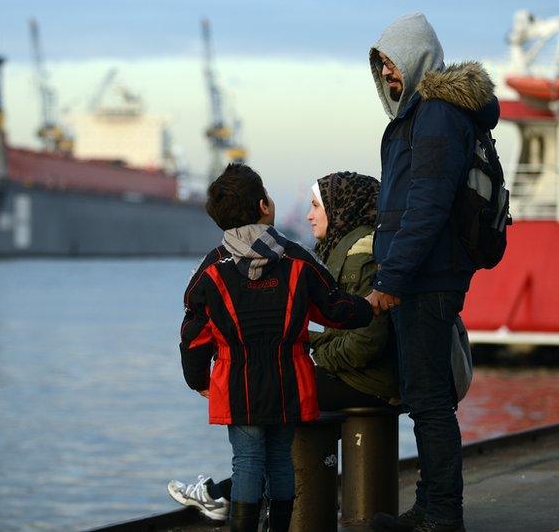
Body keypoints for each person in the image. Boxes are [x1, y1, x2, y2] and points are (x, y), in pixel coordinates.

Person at [169, 172, 400, 523]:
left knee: (246, 461)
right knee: (280, 459)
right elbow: (336, 310)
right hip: (289, 380)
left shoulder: (211, 270)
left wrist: (198, 380)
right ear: (264, 206)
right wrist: (371, 303)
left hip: (237, 385)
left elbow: (193, 337)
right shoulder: (297, 260)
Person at [363, 13, 499, 532]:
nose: (387, 74)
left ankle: (442, 515)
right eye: (381, 66)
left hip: (427, 276)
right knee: (427, 399)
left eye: (392, 62)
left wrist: (390, 279)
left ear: (416, 55)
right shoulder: (423, 112)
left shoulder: (437, 114)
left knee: (430, 404)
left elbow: (426, 205)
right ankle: (431, 507)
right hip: (425, 271)